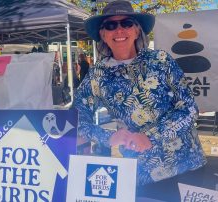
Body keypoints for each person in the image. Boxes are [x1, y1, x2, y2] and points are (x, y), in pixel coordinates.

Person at [73, 1, 207, 200]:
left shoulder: (161, 60)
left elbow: (189, 108)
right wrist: (108, 137)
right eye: (110, 25)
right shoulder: (97, 75)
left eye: (126, 23)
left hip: (186, 166)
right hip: (140, 176)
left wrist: (150, 137)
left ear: (137, 31)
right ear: (103, 35)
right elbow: (75, 118)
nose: (119, 29)